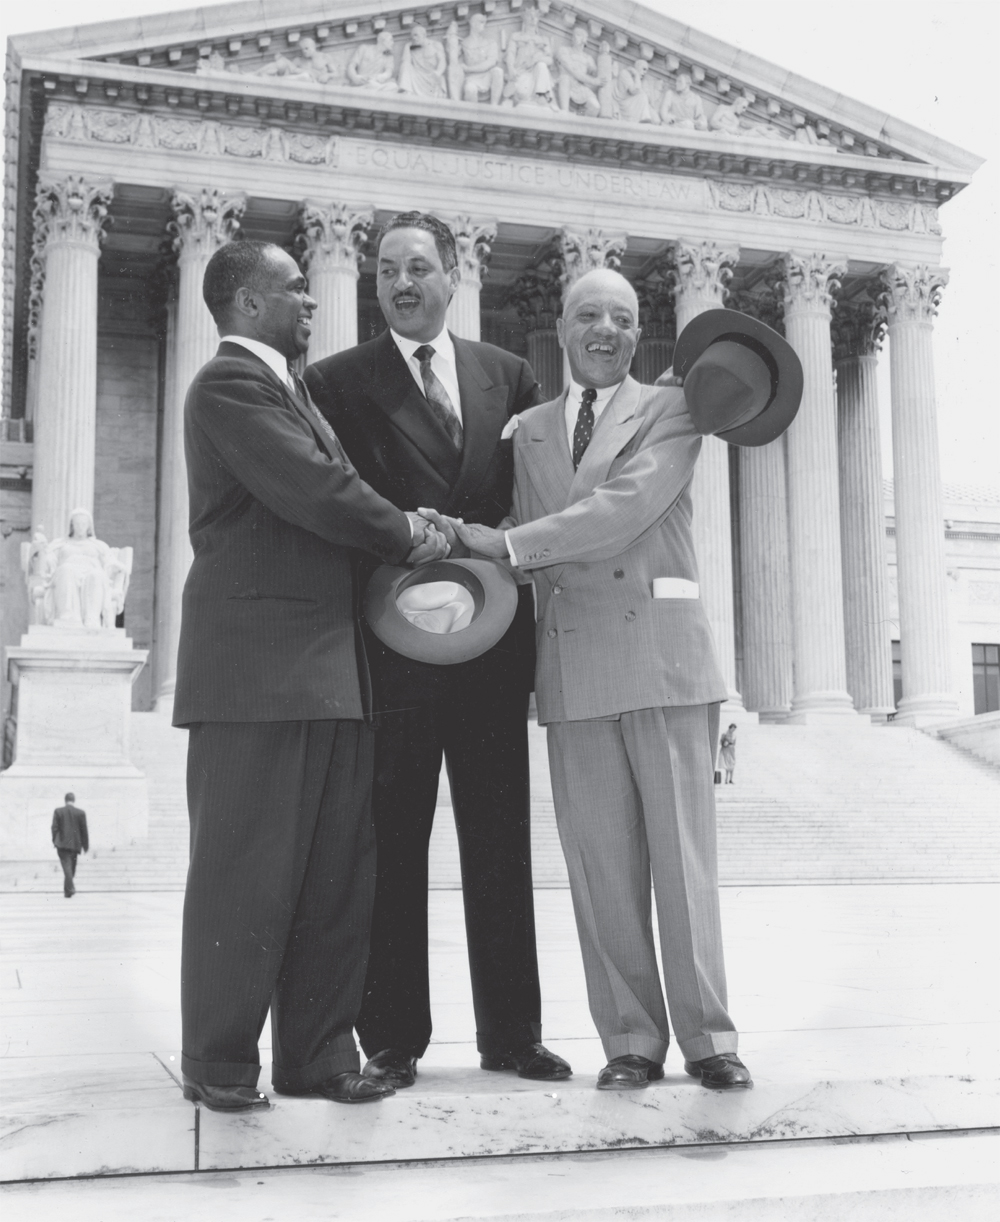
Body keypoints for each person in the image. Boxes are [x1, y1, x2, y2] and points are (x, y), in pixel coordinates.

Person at [432, 269, 753, 1093]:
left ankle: (709, 1038)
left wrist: (504, 546)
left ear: (638, 334)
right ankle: (631, 1041)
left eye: (620, 318)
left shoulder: (675, 409)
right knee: (600, 869)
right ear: (565, 332)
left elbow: (623, 507)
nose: (603, 330)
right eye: (587, 316)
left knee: (683, 864)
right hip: (573, 663)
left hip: (664, 659)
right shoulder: (529, 429)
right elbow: (516, 528)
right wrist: (451, 545)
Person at [172, 239, 448, 1114]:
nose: (313, 301)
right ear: (249, 304)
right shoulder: (228, 385)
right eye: (296, 289)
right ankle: (219, 1062)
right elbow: (318, 491)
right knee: (244, 874)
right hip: (257, 674)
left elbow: (330, 487)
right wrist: (410, 531)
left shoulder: (288, 390)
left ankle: (318, 1057)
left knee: (337, 877)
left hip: (328, 667)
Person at [305, 212, 570, 1091]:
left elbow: (535, 502)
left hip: (492, 644)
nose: (402, 282)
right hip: (396, 646)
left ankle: (513, 1035)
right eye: (387, 270)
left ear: (455, 275)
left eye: (420, 266)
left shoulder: (511, 374)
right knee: (394, 843)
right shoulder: (338, 381)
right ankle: (391, 1040)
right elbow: (339, 504)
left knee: (500, 839)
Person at [52, 792, 88, 898]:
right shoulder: (80, 813)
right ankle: (70, 889)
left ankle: (67, 891)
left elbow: (54, 828)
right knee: (70, 868)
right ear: (74, 800)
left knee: (68, 869)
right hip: (75, 846)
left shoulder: (58, 811)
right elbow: (84, 830)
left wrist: (55, 841)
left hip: (62, 845)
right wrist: (85, 845)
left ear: (65, 800)